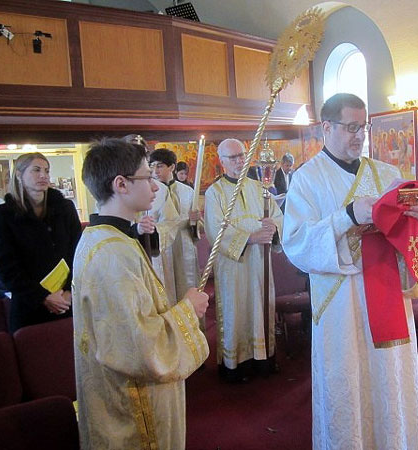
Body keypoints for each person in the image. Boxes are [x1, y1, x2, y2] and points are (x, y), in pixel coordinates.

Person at [282, 93, 418, 450]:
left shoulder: (387, 174)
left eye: (362, 127)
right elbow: (296, 244)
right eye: (350, 127)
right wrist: (347, 216)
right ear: (326, 127)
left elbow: (408, 238)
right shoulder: (307, 180)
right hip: (341, 304)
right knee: (345, 384)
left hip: (388, 298)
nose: (358, 136)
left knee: (390, 379)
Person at [73, 138, 209, 450]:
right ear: (120, 184)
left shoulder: (106, 238)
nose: (156, 186)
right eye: (147, 177)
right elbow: (139, 346)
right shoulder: (112, 255)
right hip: (132, 410)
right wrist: (189, 309)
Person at [204, 138, 283, 382]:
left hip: (260, 262)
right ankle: (234, 365)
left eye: (242, 155)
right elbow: (214, 231)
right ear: (222, 161)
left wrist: (274, 228)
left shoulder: (259, 187)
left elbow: (278, 217)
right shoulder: (214, 192)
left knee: (261, 306)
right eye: (233, 157)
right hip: (234, 265)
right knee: (236, 310)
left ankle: (263, 358)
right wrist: (250, 238)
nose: (240, 160)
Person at [0, 153, 81, 333]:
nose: (44, 175)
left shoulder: (65, 209)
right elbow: (7, 268)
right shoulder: (3, 214)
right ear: (19, 174)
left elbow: (78, 254)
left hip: (66, 301)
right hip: (29, 306)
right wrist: (43, 297)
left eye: (47, 171)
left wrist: (69, 292)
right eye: (36, 170)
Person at [150, 149, 200, 308]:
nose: (155, 171)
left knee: (187, 285)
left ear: (172, 167)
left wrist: (195, 221)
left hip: (184, 243)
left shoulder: (187, 191)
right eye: (152, 166)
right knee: (166, 289)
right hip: (162, 247)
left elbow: (198, 226)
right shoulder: (150, 192)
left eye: (160, 166)